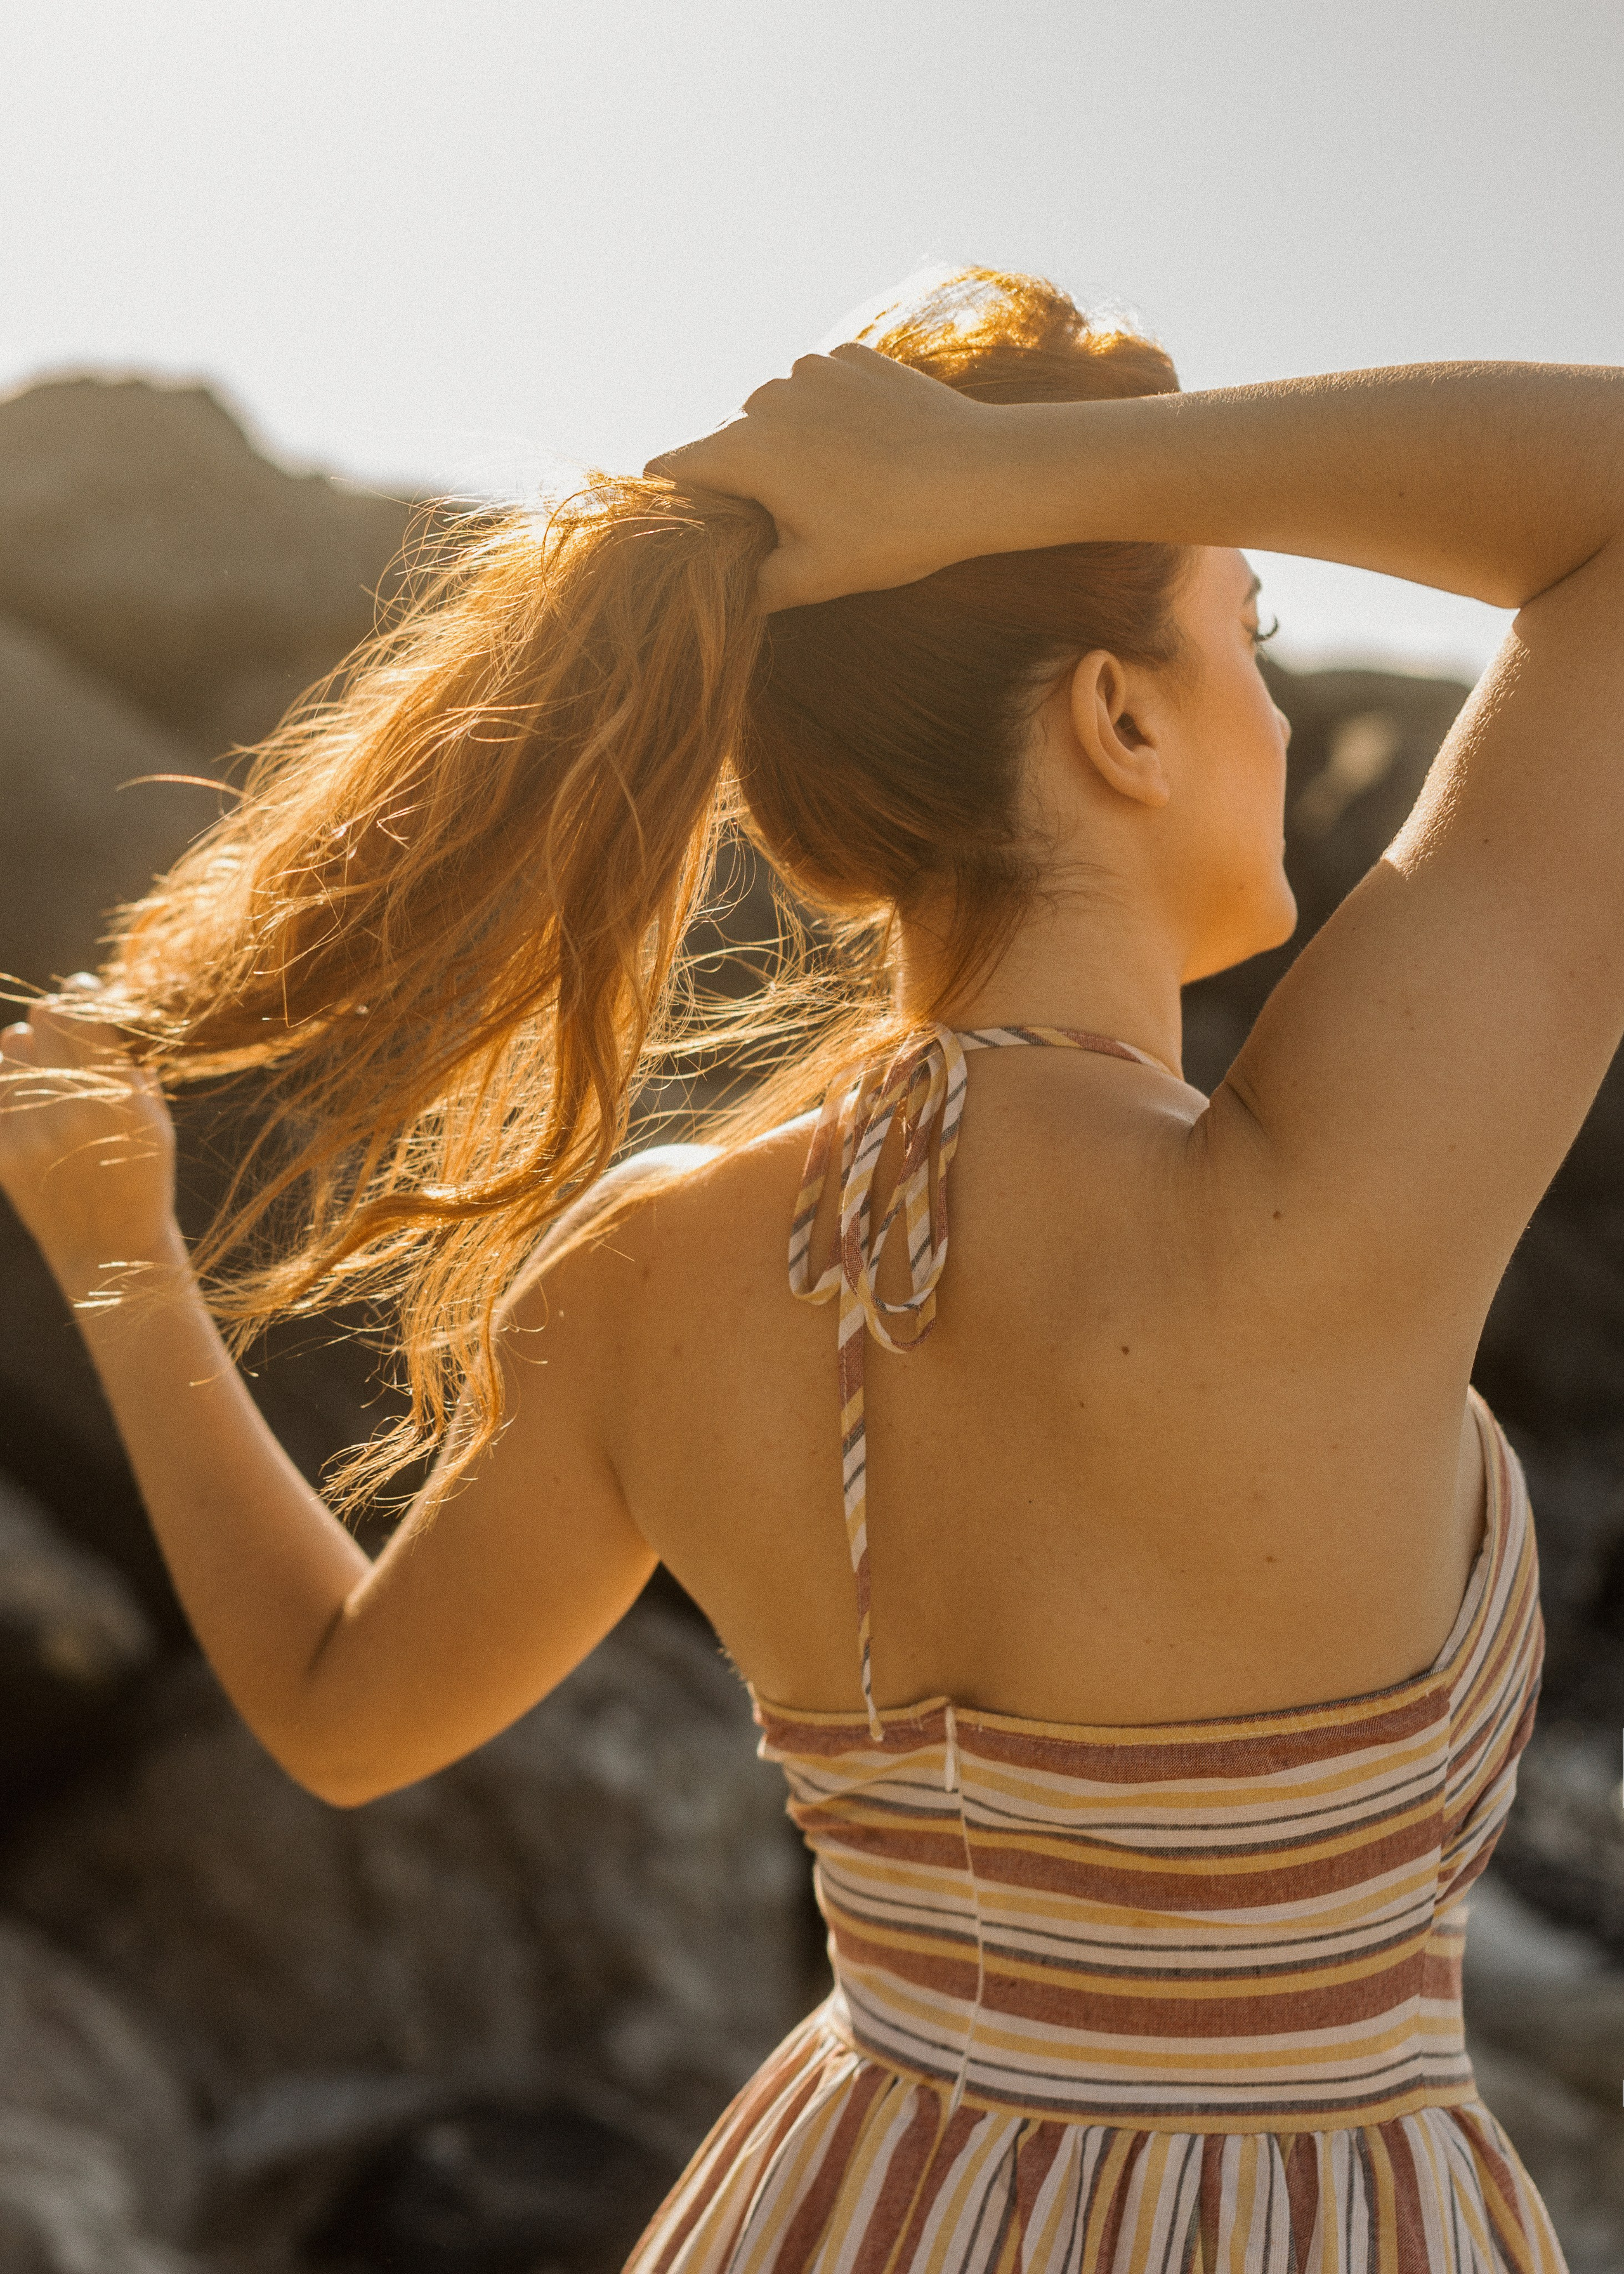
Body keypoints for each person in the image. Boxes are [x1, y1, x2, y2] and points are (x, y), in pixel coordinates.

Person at [0, 265, 1610, 2272]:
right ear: (1118, 715)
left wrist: (122, 1258)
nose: (1284, 708)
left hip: (847, 2201)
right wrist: (1005, 483)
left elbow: (343, 1715)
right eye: (1245, 632)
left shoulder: (659, 1258)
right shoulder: (1325, 1204)